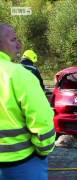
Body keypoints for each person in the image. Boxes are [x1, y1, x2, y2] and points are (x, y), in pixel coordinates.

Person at [0, 23, 56, 180]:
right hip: (21, 164)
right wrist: (43, 150)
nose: (18, 45)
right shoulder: (18, 74)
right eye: (13, 40)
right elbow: (42, 120)